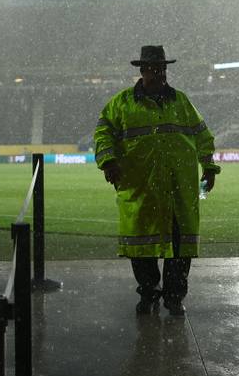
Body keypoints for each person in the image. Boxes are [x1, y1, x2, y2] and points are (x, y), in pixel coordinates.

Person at [94, 45, 220, 316]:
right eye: (154, 68)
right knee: (142, 249)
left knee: (179, 249)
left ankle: (174, 297)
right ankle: (148, 292)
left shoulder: (181, 102)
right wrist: (108, 162)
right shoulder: (121, 103)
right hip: (141, 190)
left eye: (162, 68)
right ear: (142, 70)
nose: (160, 73)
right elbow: (103, 133)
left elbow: (203, 135)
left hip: (178, 191)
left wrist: (209, 167)